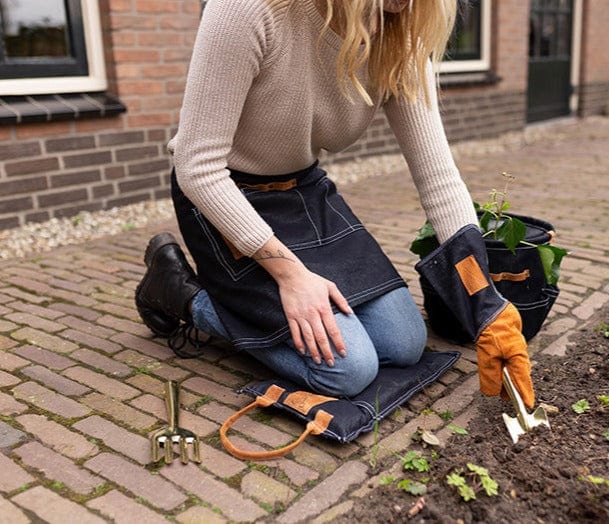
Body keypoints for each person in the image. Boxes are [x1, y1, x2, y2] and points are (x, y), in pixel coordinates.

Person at [135, 0, 536, 407]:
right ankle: (180, 293)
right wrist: (291, 276)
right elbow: (196, 167)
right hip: (223, 199)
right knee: (347, 369)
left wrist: (485, 304)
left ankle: (280, 306)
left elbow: (438, 179)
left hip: (302, 192)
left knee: (405, 343)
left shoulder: (400, 34)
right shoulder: (249, 10)